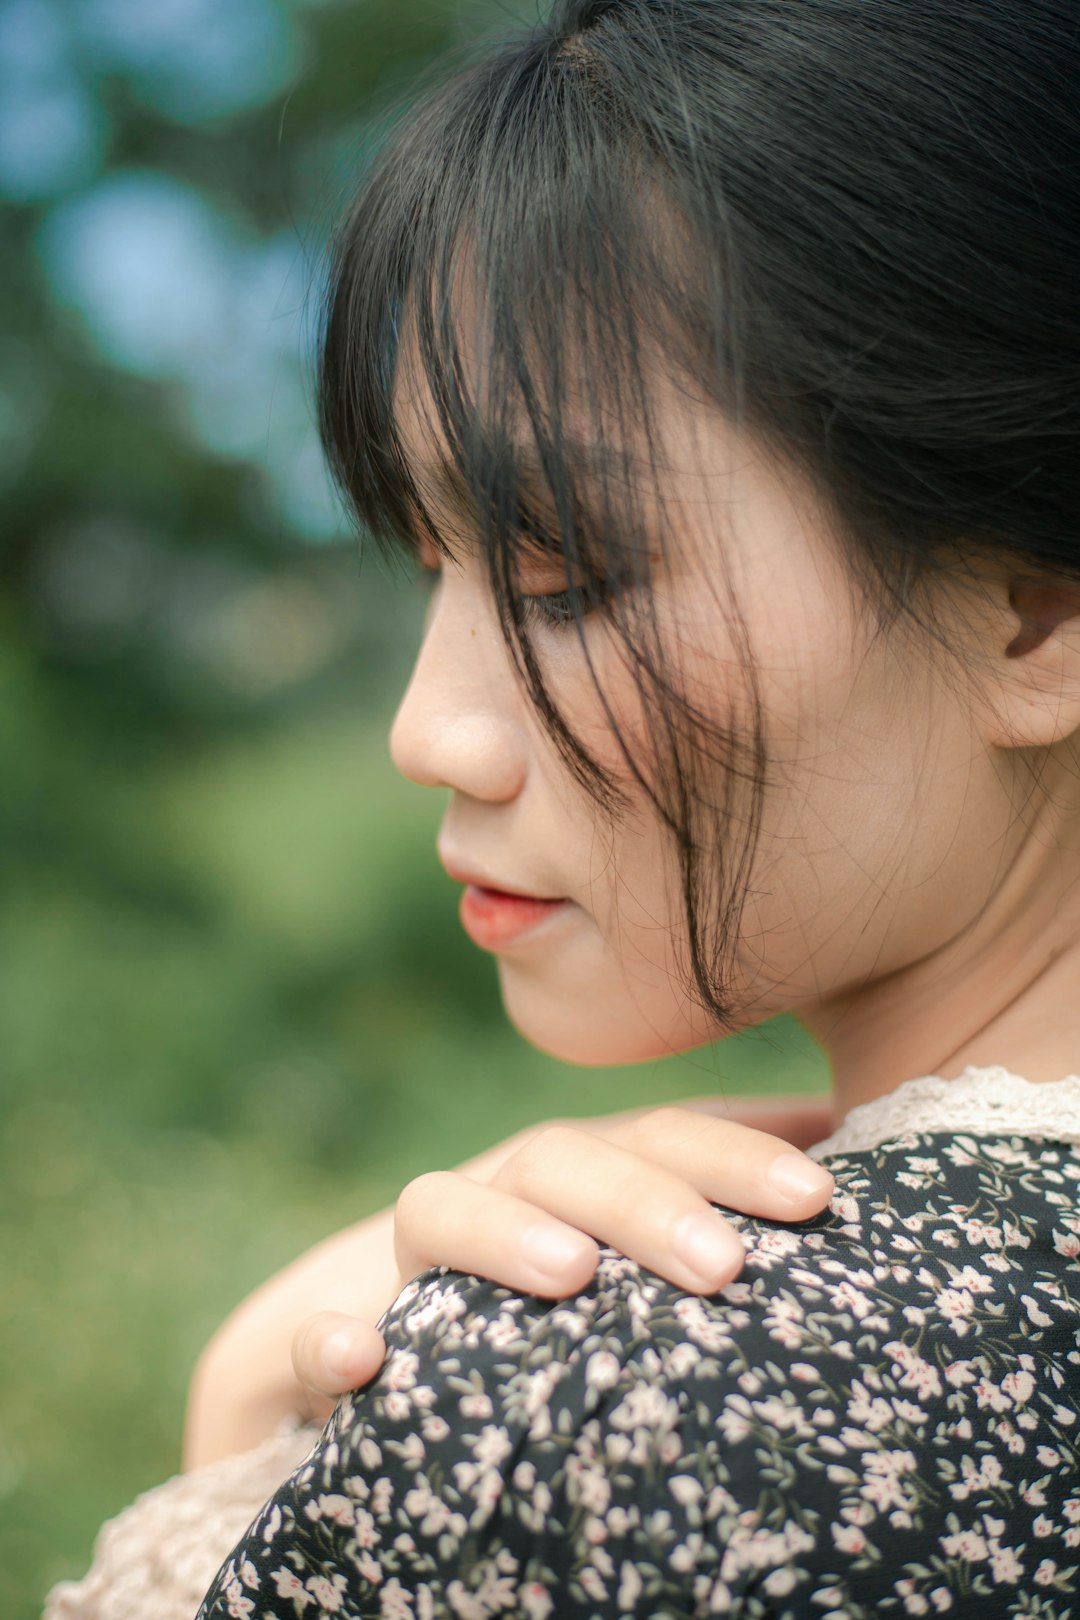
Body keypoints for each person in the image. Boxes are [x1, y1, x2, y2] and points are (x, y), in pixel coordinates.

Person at [47, 0, 1080, 1615]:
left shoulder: (639, 1388)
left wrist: (267, 1412)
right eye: (433, 568)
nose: (428, 730)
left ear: (1038, 610)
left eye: (572, 575)